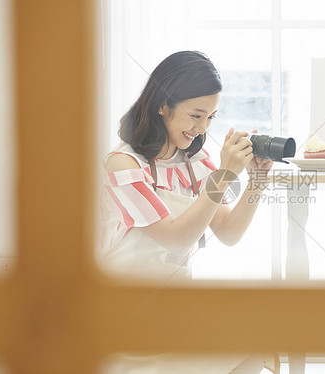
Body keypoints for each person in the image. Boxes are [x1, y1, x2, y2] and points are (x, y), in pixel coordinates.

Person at [99, 51, 277, 373]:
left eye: (211, 117)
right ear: (162, 105)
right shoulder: (122, 164)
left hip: (170, 308)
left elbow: (229, 234)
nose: (202, 127)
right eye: (196, 115)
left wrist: (257, 180)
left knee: (254, 343)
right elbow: (177, 239)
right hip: (121, 314)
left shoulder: (193, 162)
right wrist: (224, 174)